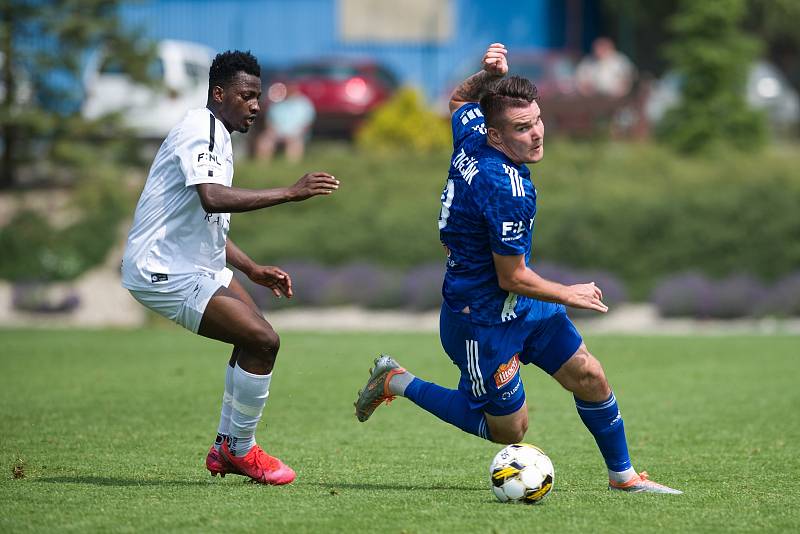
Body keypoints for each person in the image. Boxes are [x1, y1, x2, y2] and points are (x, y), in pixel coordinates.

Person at [354, 43, 680, 494]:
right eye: (522, 128)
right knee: (510, 431)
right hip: (481, 320)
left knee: (589, 374)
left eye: (538, 120)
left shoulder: (472, 132)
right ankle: (397, 380)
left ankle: (623, 477)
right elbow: (511, 276)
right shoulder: (505, 189)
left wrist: (486, 76)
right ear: (496, 135)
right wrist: (569, 293)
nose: (537, 134)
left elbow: (459, 103)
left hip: (520, 305)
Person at [121, 50, 339, 485]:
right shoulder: (200, 131)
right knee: (262, 339)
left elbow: (207, 221)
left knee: (257, 341)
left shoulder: (218, 132)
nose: (256, 106)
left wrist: (251, 268)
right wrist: (290, 192)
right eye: (247, 96)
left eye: (258, 97)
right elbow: (213, 199)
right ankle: (239, 449)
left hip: (195, 264)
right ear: (218, 93)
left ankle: (227, 446)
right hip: (161, 269)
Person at [253, 82, 315, 162]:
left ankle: (291, 166)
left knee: (294, 143)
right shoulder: (276, 102)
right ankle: (262, 165)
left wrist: (295, 133)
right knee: (264, 141)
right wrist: (272, 132)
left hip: (296, 133)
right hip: (277, 133)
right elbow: (269, 122)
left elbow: (308, 123)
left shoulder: (304, 103)